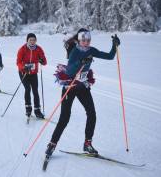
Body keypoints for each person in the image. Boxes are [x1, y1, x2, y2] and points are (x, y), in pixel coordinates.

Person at [45, 28, 121, 157]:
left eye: (88, 40)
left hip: (82, 86)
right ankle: (52, 144)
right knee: (64, 118)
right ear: (79, 40)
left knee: (92, 114)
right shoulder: (74, 51)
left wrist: (114, 46)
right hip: (71, 85)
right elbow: (69, 71)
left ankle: (87, 144)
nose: (86, 42)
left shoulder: (91, 50)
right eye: (84, 40)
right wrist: (81, 62)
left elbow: (109, 56)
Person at [16, 33, 47, 119]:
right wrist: (23, 67)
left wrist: (42, 60)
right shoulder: (22, 49)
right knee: (27, 89)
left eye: (34, 40)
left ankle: (37, 111)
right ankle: (28, 109)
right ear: (27, 41)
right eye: (30, 40)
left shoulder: (39, 49)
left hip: (33, 73)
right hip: (24, 72)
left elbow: (44, 62)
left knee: (35, 91)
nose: (32, 42)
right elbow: (18, 62)